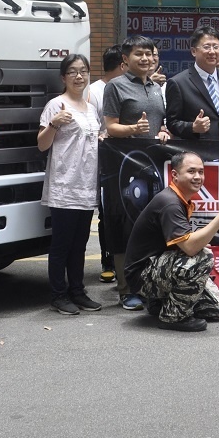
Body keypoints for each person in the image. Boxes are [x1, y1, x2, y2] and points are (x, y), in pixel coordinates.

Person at [123, 151, 219, 332]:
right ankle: (172, 317)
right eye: (191, 171)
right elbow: (190, 248)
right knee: (203, 256)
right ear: (175, 175)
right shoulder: (170, 203)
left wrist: (197, 243)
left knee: (217, 308)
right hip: (142, 276)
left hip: (157, 267)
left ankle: (159, 303)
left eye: (201, 172)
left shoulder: (178, 198)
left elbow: (182, 242)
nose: (198, 177)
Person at [102, 36, 172, 310]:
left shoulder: (156, 87)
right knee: (127, 229)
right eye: (139, 55)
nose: (145, 59)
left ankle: (151, 285)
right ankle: (126, 289)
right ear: (125, 60)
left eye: (149, 54)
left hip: (153, 168)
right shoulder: (116, 87)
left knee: (151, 229)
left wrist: (164, 131)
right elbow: (110, 127)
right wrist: (133, 130)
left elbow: (161, 123)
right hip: (123, 168)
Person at [38, 54, 103, 315]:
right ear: (63, 77)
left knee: (80, 244)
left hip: (86, 185)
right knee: (62, 244)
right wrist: (54, 124)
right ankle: (58, 294)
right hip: (64, 185)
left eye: (83, 71)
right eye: (73, 72)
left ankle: (78, 291)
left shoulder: (90, 108)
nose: (79, 76)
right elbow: (42, 144)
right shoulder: (56, 105)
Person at [165, 26, 219, 143]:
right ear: (193, 51)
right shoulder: (178, 83)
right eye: (206, 47)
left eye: (216, 47)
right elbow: (172, 122)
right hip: (197, 152)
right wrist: (193, 127)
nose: (212, 51)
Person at [86, 45, 123, 284]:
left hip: (126, 161)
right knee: (106, 214)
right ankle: (107, 261)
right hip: (103, 165)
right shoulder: (94, 91)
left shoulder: (128, 86)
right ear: (122, 64)